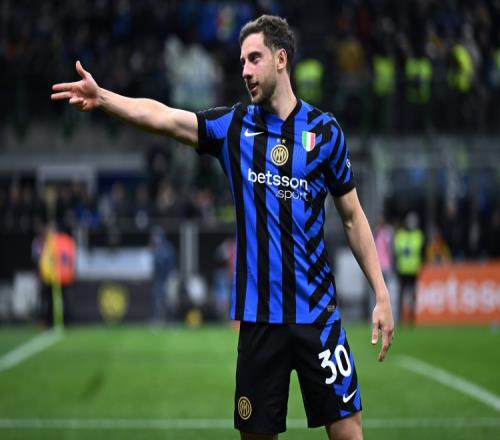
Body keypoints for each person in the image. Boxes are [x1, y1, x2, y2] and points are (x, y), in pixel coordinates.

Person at [51, 15, 394, 440]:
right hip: (259, 321)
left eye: (254, 59)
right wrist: (104, 97)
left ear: (281, 59)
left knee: (348, 434)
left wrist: (381, 293)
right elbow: (165, 118)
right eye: (241, 61)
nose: (244, 70)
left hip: (318, 317)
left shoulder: (325, 133)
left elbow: (353, 217)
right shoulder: (233, 126)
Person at [394, 212, 424, 325]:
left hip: (411, 269)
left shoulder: (412, 235)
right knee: (403, 294)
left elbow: (399, 250)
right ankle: (402, 317)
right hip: (403, 269)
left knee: (410, 294)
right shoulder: (413, 235)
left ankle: (410, 317)